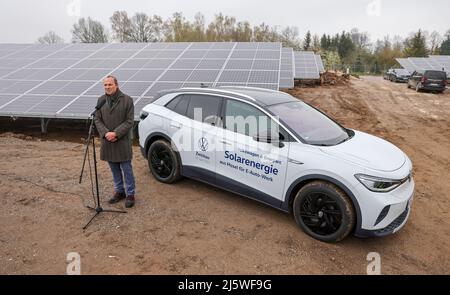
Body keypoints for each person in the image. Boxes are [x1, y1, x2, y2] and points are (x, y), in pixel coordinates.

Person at [94, 75, 136, 208]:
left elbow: (129, 121)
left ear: (116, 85)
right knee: (114, 169)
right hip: (107, 141)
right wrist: (106, 133)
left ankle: (130, 194)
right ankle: (119, 191)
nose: (107, 87)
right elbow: (97, 119)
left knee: (126, 169)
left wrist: (116, 133)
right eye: (105, 85)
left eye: (110, 84)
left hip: (122, 141)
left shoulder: (127, 100)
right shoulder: (101, 101)